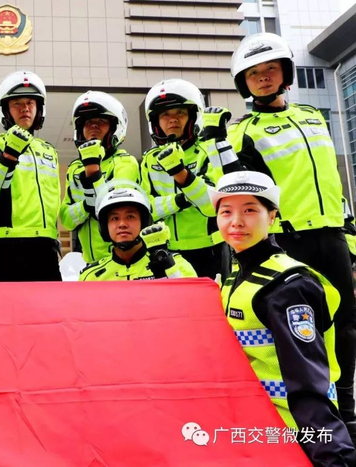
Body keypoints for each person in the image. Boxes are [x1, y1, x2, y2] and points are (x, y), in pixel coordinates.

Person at [227, 32, 356, 437]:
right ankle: (304, 411)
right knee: (297, 329)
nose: (263, 77)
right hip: (288, 241)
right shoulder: (242, 131)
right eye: (254, 74)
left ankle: (346, 407)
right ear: (244, 83)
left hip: (331, 234)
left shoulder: (313, 116)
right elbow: (238, 188)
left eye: (271, 69)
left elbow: (328, 176)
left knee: (344, 323)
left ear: (286, 74)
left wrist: (347, 224)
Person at [210, 171, 356, 464]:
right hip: (254, 431)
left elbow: (308, 382)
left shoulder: (286, 286)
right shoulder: (236, 277)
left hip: (293, 437)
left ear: (272, 216)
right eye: (226, 212)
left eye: (250, 210)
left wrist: (334, 458)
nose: (236, 221)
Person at [141, 78, 235, 280]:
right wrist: (181, 200)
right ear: (156, 122)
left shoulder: (207, 149)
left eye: (180, 112)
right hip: (167, 250)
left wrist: (180, 173)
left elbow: (211, 205)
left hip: (210, 249)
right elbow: (147, 209)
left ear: (193, 116)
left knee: (213, 299)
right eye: (165, 114)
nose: (172, 119)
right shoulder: (149, 159)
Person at [0, 70, 61, 281]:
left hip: (45, 247)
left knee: (52, 304)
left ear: (39, 109)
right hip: (7, 247)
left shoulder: (49, 150)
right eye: (17, 103)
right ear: (5, 110)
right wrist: (7, 157)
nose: (25, 108)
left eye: (30, 103)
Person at [60, 91, 141, 264]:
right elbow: (66, 220)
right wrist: (86, 206)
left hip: (121, 260)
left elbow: (115, 208)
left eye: (101, 121)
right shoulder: (74, 168)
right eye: (88, 122)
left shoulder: (125, 162)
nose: (93, 126)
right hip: (90, 263)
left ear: (115, 128)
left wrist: (94, 173)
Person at [79, 187, 196, 281]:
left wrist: (166, 267)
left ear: (144, 223)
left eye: (130, 217)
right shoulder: (91, 277)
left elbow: (190, 299)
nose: (122, 224)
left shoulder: (176, 264)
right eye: (115, 218)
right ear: (105, 227)